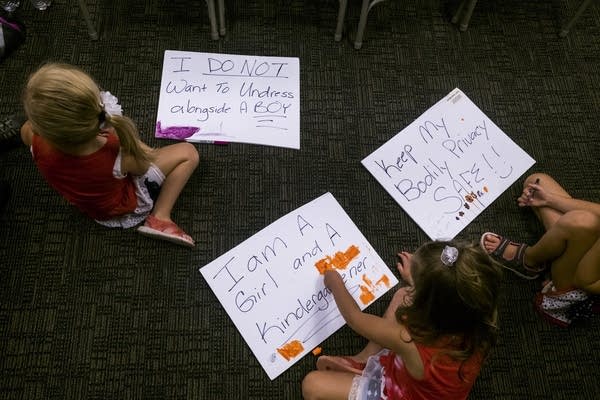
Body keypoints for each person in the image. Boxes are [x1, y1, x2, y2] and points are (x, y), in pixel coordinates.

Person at [20, 63, 199, 247]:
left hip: (92, 207)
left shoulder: (31, 135)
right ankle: (160, 216)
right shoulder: (113, 151)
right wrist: (122, 137)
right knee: (188, 153)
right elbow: (143, 165)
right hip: (124, 206)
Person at [301, 240, 502, 400]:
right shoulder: (482, 319)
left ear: (429, 306)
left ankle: (367, 367)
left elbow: (354, 318)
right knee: (404, 294)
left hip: (402, 392)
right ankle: (363, 360)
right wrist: (420, 282)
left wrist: (334, 282)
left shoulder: (407, 339)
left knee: (312, 385)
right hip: (430, 383)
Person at [480, 173, 600, 327]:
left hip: (584, 285)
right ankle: (556, 248)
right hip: (590, 243)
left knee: (580, 221)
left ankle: (529, 260)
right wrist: (549, 199)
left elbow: (585, 281)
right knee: (536, 183)